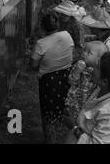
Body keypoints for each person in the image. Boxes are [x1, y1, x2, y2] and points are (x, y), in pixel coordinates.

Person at [65, 52, 110, 144]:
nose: (91, 69)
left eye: (96, 68)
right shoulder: (107, 87)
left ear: (105, 81)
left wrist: (74, 128)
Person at [31, 12, 74, 143]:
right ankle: (66, 135)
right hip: (67, 77)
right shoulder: (67, 35)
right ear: (58, 25)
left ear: (42, 27)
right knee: (64, 107)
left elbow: (33, 65)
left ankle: (51, 139)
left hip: (49, 82)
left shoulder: (41, 43)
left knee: (48, 112)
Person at [64, 41, 110, 125]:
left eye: (89, 53)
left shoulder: (99, 72)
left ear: (98, 59)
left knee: (86, 120)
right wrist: (77, 72)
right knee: (74, 119)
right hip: (77, 100)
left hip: (89, 103)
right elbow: (71, 81)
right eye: (84, 50)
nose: (84, 53)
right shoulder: (79, 65)